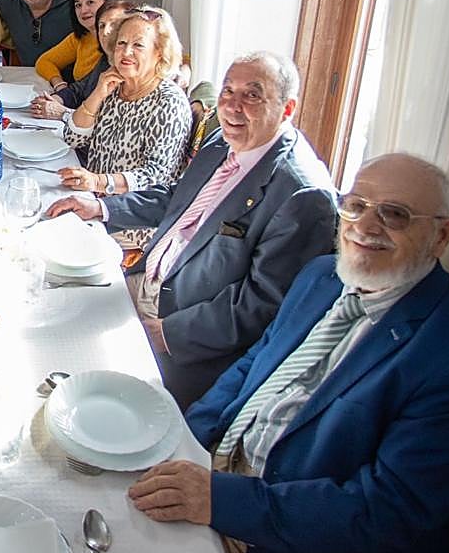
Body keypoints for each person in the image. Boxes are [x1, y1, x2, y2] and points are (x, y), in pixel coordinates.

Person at [130, 153, 449, 553]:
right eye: (356, 205)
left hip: (297, 548)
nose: (365, 226)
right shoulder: (322, 275)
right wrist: (187, 439)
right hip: (219, 476)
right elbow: (254, 365)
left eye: (395, 215)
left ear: (441, 235)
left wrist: (221, 500)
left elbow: (386, 510)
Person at [46, 52, 337, 408]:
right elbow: (177, 198)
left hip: (185, 335)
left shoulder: (303, 195)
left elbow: (261, 306)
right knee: (48, 306)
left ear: (287, 109)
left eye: (252, 95)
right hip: (146, 282)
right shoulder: (223, 142)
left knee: (80, 391)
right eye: (228, 91)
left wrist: (167, 334)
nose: (232, 106)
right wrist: (102, 207)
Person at [57, 6, 192, 249]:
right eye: (121, 43)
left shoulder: (169, 102)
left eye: (138, 45)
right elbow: (72, 138)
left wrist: (98, 182)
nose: (126, 52)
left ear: (159, 53)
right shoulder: (114, 86)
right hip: (91, 201)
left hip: (131, 223)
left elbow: (155, 176)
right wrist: (97, 94)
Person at [31, 0, 130, 118]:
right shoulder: (106, 61)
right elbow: (78, 90)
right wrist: (54, 100)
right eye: (102, 26)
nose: (106, 32)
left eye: (114, 24)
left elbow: (109, 124)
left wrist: (63, 113)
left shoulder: (130, 71)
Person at [34, 0, 115, 92]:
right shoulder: (80, 38)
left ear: (108, 3)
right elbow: (44, 61)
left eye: (90, 2)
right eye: (78, 5)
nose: (83, 10)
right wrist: (59, 84)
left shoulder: (120, 39)